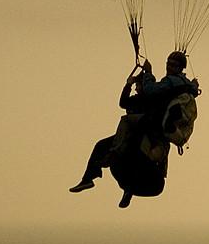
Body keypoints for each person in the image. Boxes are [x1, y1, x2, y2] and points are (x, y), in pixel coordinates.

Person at [70, 49, 199, 207]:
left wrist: (148, 74)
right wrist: (129, 84)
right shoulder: (172, 87)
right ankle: (89, 179)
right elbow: (124, 103)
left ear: (180, 68)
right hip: (145, 127)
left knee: (128, 127)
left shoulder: (169, 84)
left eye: (173, 65)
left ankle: (112, 161)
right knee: (101, 145)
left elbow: (152, 91)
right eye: (168, 63)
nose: (169, 67)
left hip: (152, 128)